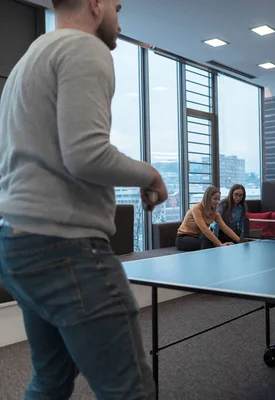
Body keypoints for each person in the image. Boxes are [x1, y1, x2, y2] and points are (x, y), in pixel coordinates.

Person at [0, 0, 167, 399]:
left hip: (17, 246)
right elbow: (86, 154)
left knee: (51, 379)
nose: (119, 19)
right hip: (66, 252)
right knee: (130, 389)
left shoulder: (29, 59)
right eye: (117, 7)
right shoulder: (84, 47)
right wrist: (151, 174)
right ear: (95, 4)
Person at [176, 186, 241, 251]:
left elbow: (225, 227)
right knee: (207, 240)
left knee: (211, 240)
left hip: (198, 237)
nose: (217, 201)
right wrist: (219, 244)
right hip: (183, 238)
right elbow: (204, 229)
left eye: (218, 199)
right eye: (215, 199)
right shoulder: (196, 208)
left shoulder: (214, 213)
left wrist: (240, 241)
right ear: (207, 198)